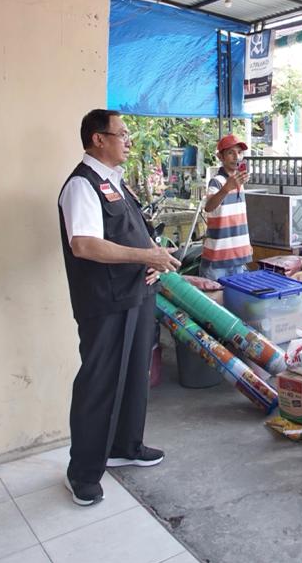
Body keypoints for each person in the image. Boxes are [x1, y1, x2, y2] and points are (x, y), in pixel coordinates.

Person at [57, 109, 180, 506]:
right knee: (100, 384)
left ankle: (126, 446)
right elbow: (85, 244)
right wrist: (145, 255)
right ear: (98, 139)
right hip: (105, 302)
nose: (128, 140)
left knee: (134, 376)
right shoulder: (82, 185)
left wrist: (153, 257)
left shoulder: (116, 182)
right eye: (122, 134)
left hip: (136, 294)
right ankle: (82, 473)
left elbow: (131, 234)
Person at [200, 134, 253, 281]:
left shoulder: (239, 182)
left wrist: (246, 245)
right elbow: (208, 207)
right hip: (217, 259)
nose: (236, 157)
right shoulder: (216, 181)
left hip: (238, 257)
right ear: (220, 157)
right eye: (230, 153)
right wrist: (226, 189)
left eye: (239, 152)